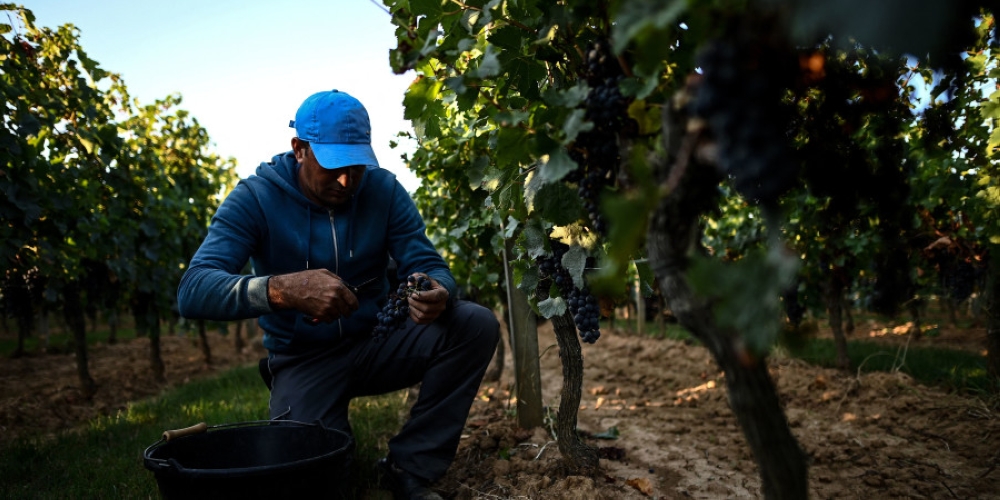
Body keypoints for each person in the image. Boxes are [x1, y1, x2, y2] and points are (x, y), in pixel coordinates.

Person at [176, 89, 500, 500]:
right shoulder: (255, 198)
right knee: (315, 479)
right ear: (299, 149)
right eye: (333, 166)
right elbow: (194, 289)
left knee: (474, 324)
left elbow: (429, 264)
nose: (347, 180)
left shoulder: (383, 191)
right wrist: (281, 290)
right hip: (304, 360)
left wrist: (439, 289)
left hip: (381, 342)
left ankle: (409, 466)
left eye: (357, 167)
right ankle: (324, 434)